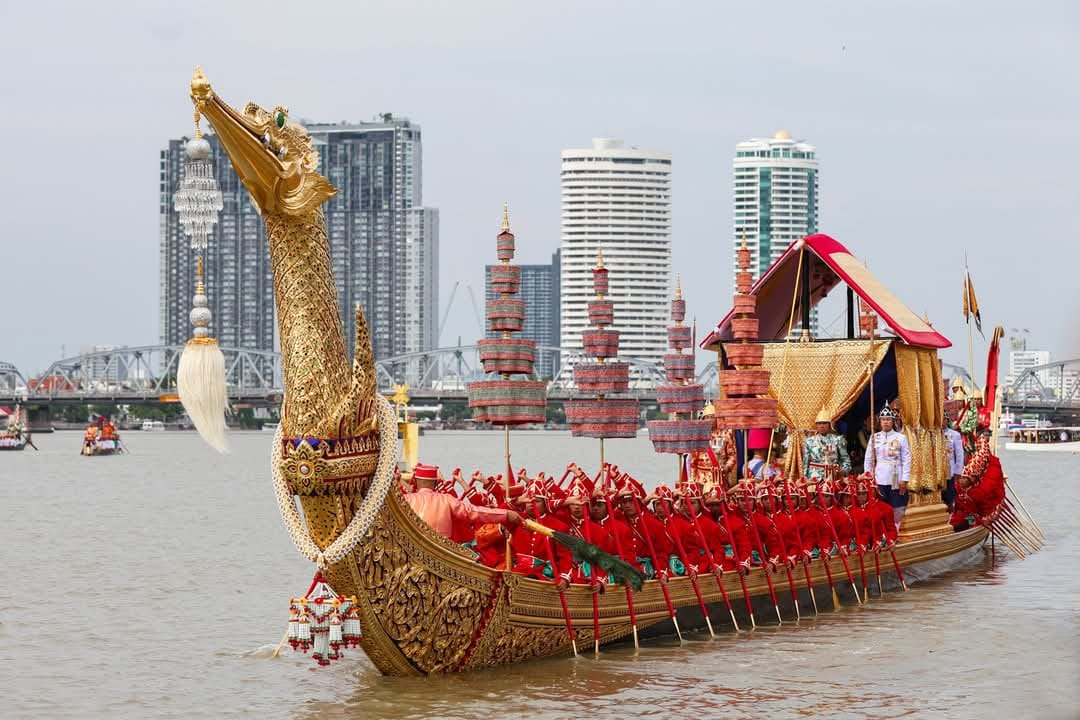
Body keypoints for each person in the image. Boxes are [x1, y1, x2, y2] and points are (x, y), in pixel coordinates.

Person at [404, 463, 522, 540]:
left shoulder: (406, 499)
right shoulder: (446, 499)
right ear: (435, 483)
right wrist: (505, 515)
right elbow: (473, 512)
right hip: (443, 551)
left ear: (415, 481)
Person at [863, 405, 911, 531]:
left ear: (893, 421)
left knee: (898, 506)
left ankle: (896, 528)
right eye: (883, 419)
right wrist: (869, 477)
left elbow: (907, 459)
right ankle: (884, 531)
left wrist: (905, 479)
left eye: (888, 419)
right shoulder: (874, 437)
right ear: (880, 421)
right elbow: (868, 459)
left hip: (896, 477)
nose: (886, 422)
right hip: (879, 478)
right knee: (881, 506)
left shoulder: (901, 437)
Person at [803, 408, 852, 483]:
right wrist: (805, 479)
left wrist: (843, 471)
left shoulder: (838, 440)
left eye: (824, 423)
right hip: (815, 477)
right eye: (819, 423)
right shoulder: (809, 441)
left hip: (834, 477)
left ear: (829, 424)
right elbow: (806, 463)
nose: (822, 426)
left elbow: (845, 459)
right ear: (816, 425)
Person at [943, 413, 965, 511]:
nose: (942, 421)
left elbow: (959, 454)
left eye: (944, 419)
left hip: (949, 471)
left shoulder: (954, 435)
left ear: (947, 421)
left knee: (949, 497)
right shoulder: (932, 434)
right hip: (936, 472)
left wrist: (958, 471)